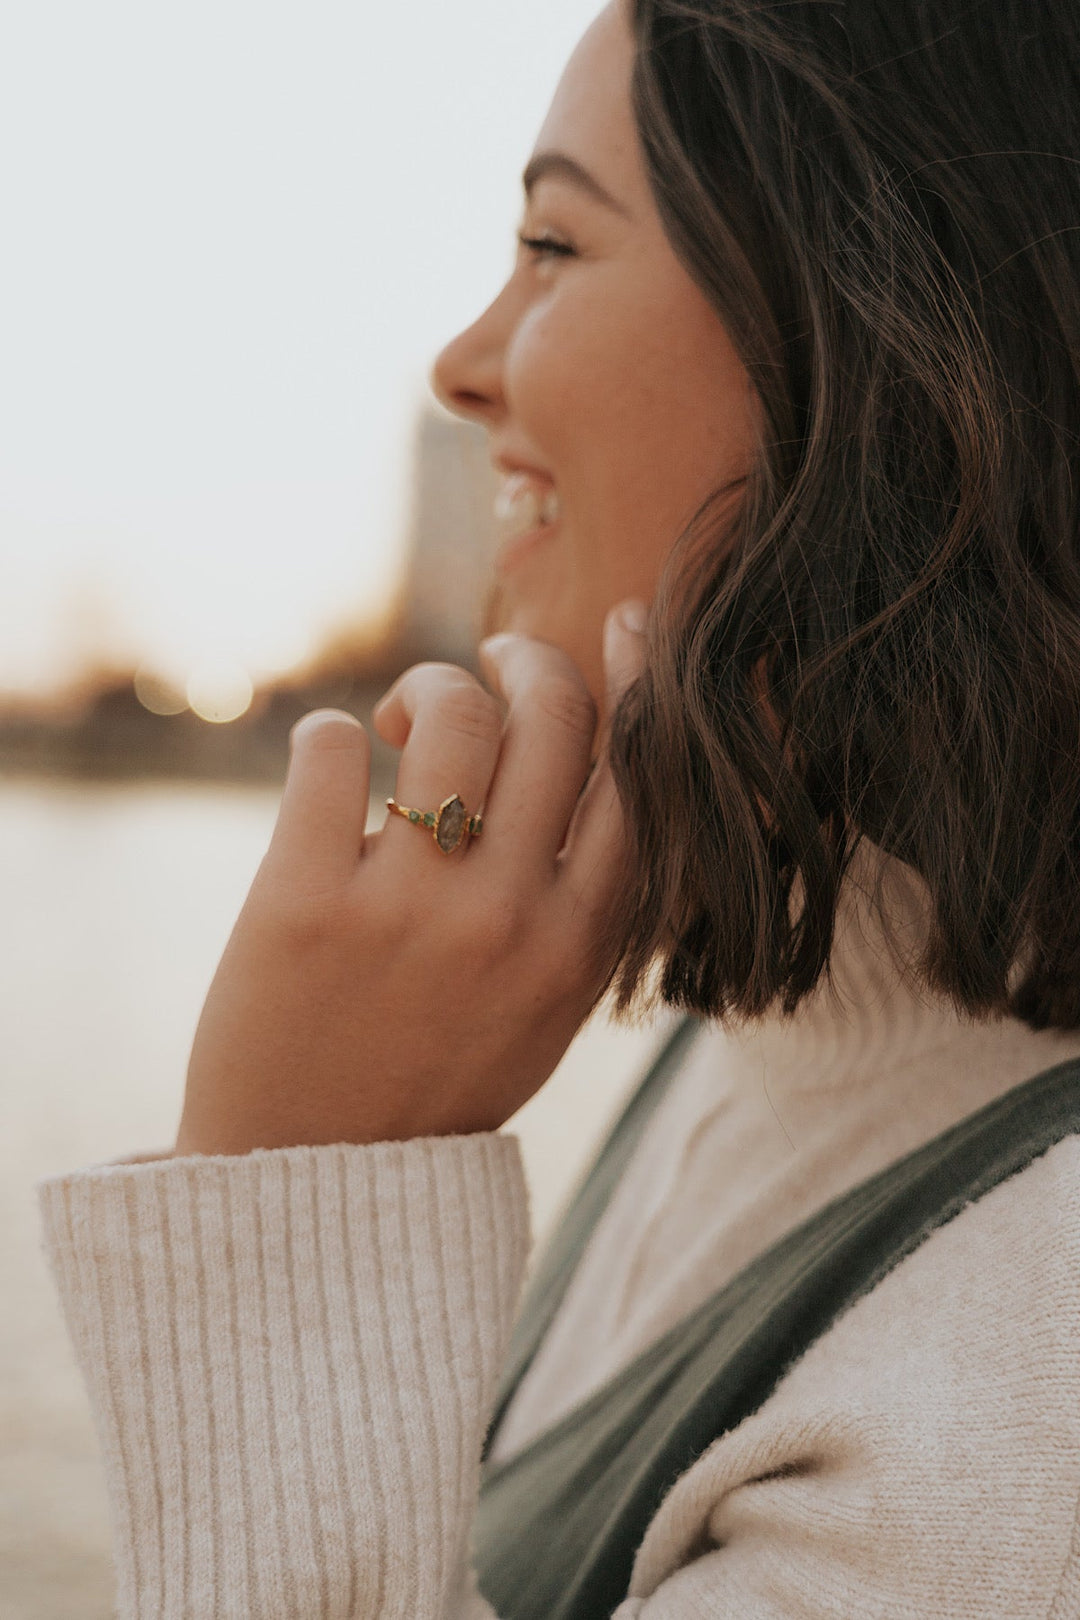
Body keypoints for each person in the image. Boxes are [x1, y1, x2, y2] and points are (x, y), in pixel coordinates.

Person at [38, 0, 1080, 1614]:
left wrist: (298, 1172)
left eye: (551, 243)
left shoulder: (1017, 1428)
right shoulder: (772, 1018)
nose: (464, 364)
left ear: (862, 327)